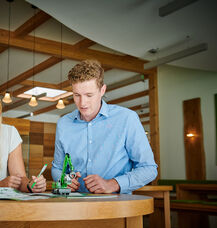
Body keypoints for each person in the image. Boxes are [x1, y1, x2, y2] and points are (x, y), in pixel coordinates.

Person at [52, 60, 157, 194]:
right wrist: (65, 181)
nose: (82, 103)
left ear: (102, 90)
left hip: (116, 207)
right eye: (77, 95)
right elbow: (57, 168)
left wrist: (113, 184)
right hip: (75, 206)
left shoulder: (127, 118)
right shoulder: (63, 124)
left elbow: (149, 169)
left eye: (89, 95)